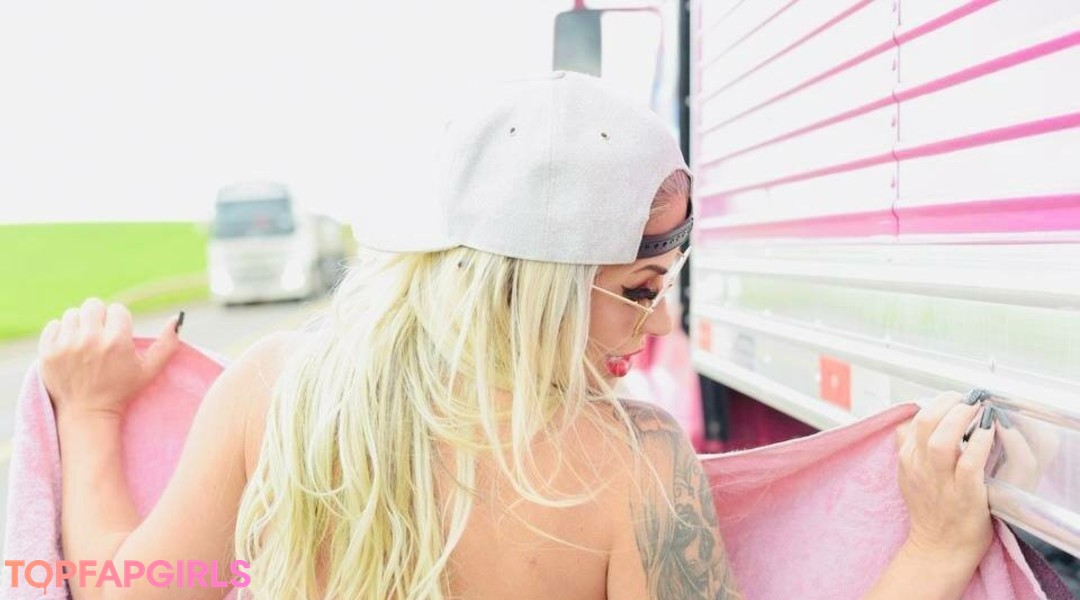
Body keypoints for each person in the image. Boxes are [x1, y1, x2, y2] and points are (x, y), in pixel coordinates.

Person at [37, 72, 997, 599]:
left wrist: (88, 417)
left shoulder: (275, 390)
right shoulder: (632, 464)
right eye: (640, 288)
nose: (657, 324)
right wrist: (935, 549)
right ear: (540, 286)